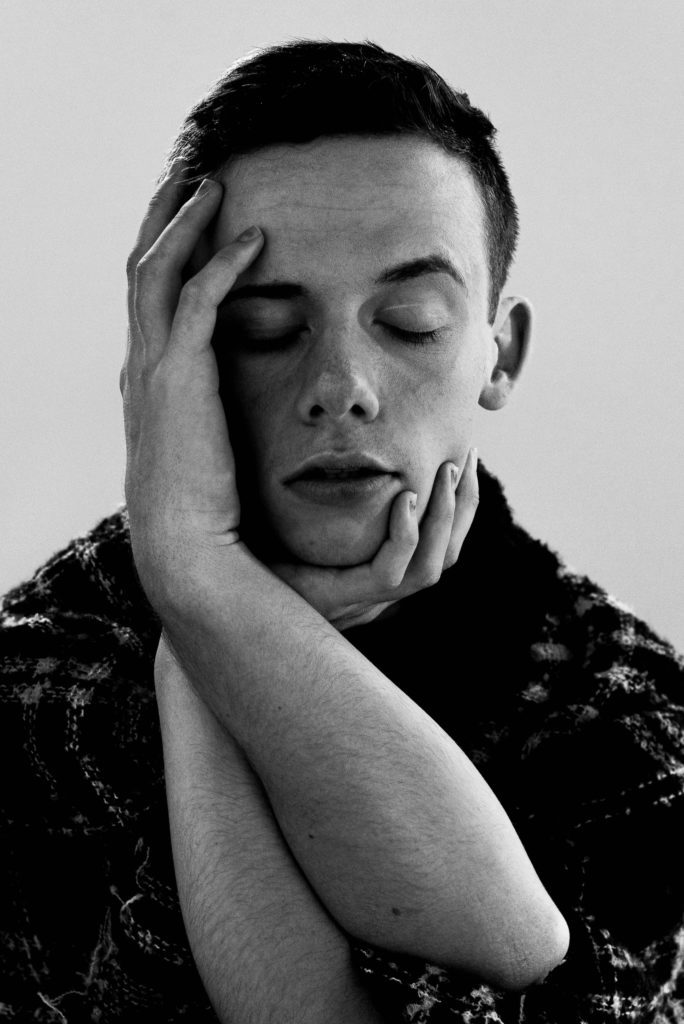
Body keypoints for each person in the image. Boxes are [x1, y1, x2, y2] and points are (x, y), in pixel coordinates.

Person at [1, 39, 682, 1024]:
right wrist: (198, 597)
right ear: (175, 359)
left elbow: (522, 955)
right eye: (265, 329)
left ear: (500, 356)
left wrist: (202, 618)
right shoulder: (44, 670)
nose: (340, 389)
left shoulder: (626, 712)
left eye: (409, 321)